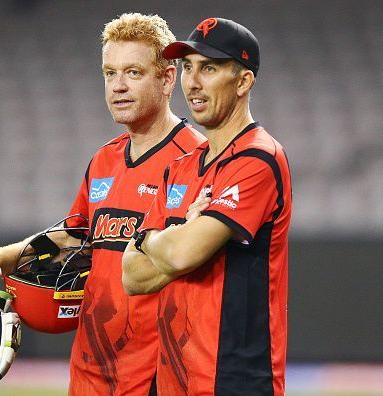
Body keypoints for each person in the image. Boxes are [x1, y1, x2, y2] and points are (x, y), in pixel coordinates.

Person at [0, 13, 205, 396]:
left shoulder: (198, 158)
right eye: (109, 73)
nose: (118, 87)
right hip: (90, 376)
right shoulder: (104, 160)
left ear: (167, 78)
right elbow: (71, 240)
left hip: (161, 379)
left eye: (133, 73)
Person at [122, 18, 292, 396]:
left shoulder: (258, 159)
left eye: (209, 68)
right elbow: (131, 277)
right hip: (172, 381)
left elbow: (182, 255)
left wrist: (152, 240)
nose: (192, 82)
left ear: (244, 81)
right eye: (188, 67)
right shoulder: (180, 166)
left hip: (234, 381)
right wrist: (178, 234)